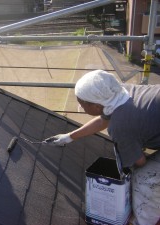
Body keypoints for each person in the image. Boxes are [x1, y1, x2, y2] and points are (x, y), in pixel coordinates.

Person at [44, 70, 160, 225]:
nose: (80, 106)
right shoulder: (120, 94)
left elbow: (139, 162)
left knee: (145, 178)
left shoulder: (121, 125)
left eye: (82, 103)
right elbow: (103, 120)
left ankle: (144, 221)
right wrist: (70, 136)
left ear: (96, 105)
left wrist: (132, 153)